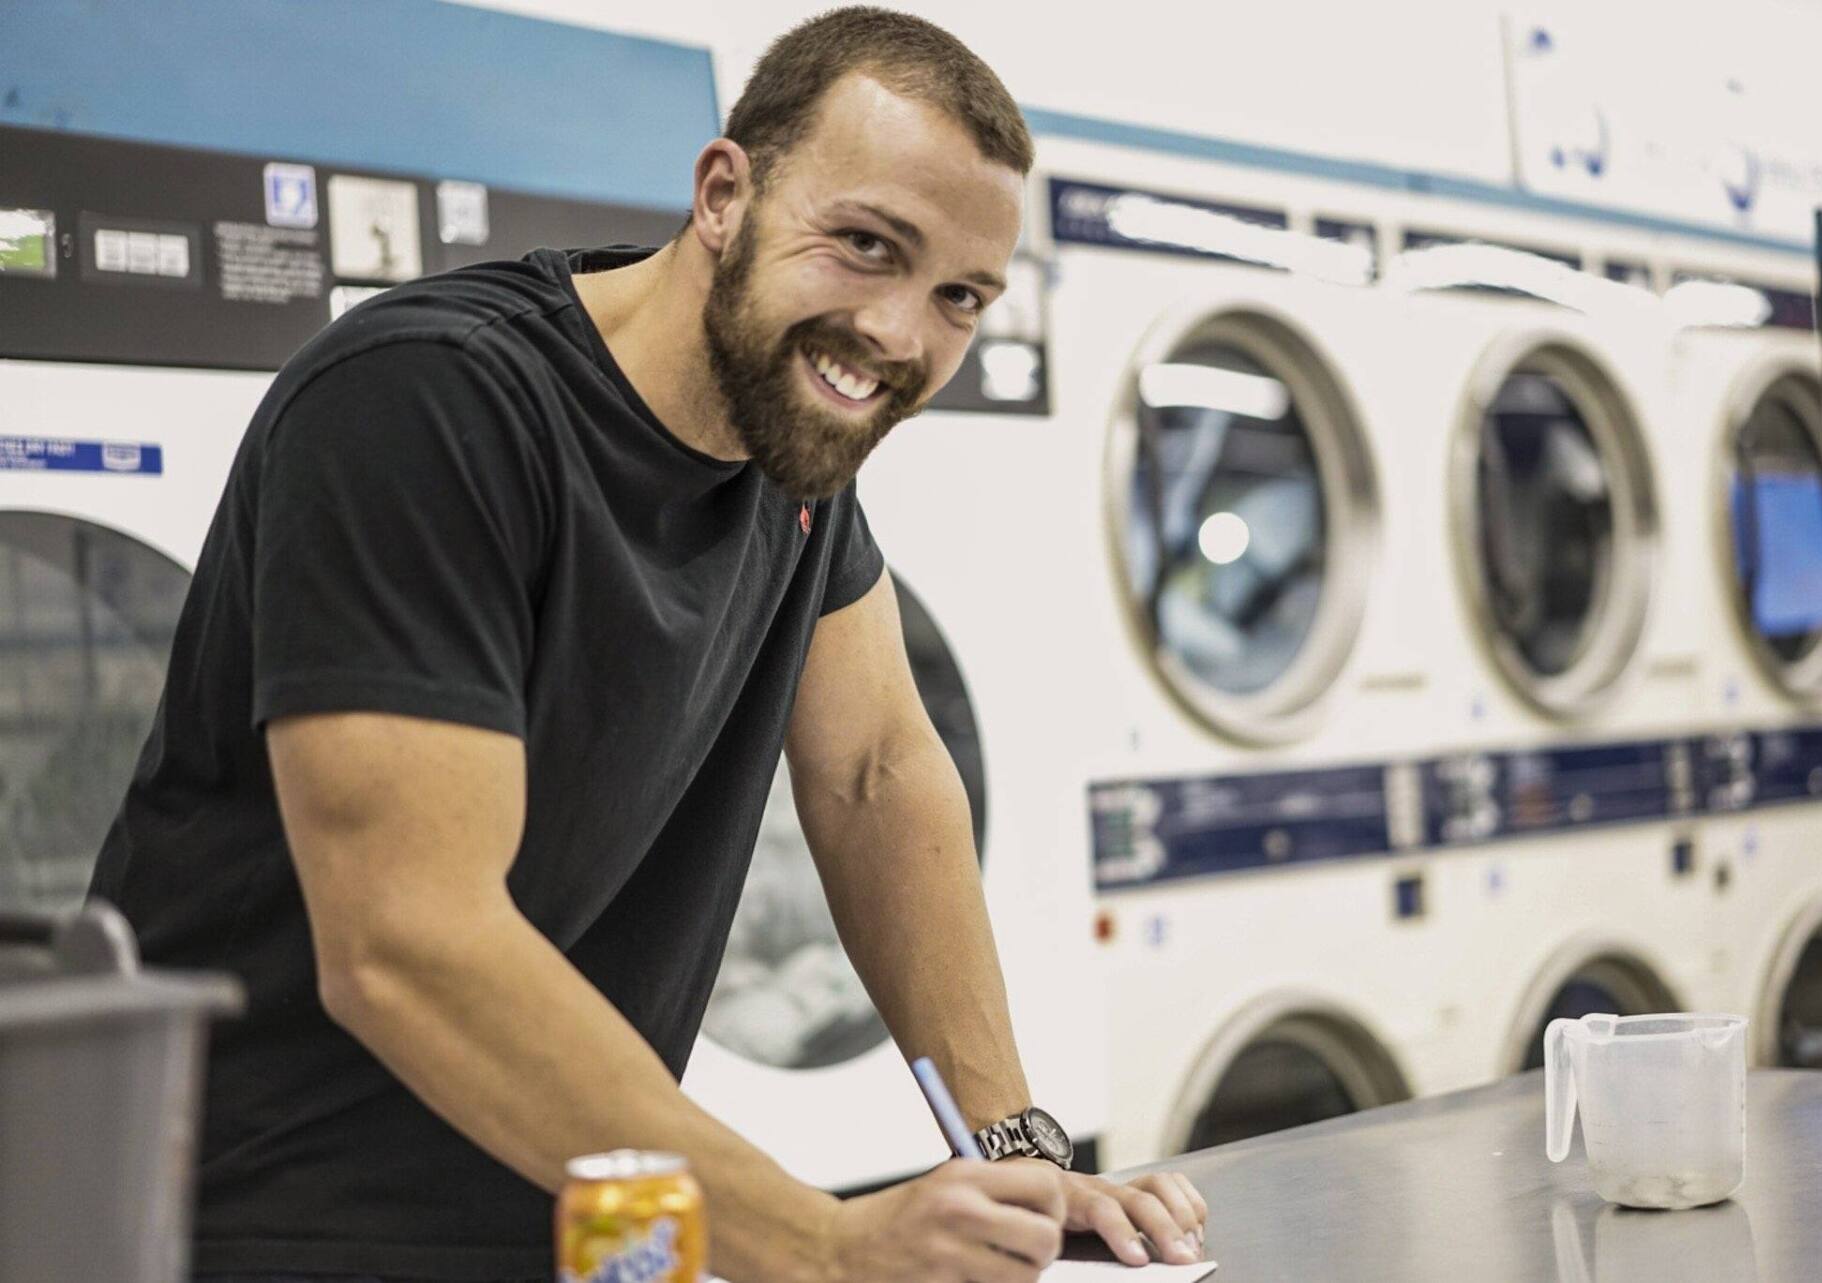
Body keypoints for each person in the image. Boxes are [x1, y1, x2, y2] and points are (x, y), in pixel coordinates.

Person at [91, 8, 1208, 1282]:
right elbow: (404, 945)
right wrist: (823, 1242)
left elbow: (878, 774)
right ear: (725, 193)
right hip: (245, 1223)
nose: (902, 334)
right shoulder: (428, 402)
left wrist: (1014, 1155)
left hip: (581, 1212)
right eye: (865, 245)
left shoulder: (793, 458)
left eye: (959, 295)